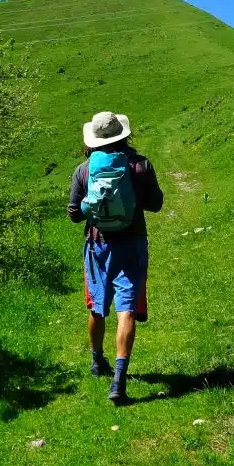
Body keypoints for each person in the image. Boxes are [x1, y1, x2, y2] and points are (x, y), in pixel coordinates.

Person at [68, 110, 164, 403]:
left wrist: (94, 205)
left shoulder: (84, 170)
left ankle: (98, 361)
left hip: (97, 245)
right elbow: (156, 204)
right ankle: (119, 381)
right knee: (127, 310)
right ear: (124, 135)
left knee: (97, 306)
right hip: (132, 242)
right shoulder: (140, 165)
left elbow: (73, 214)